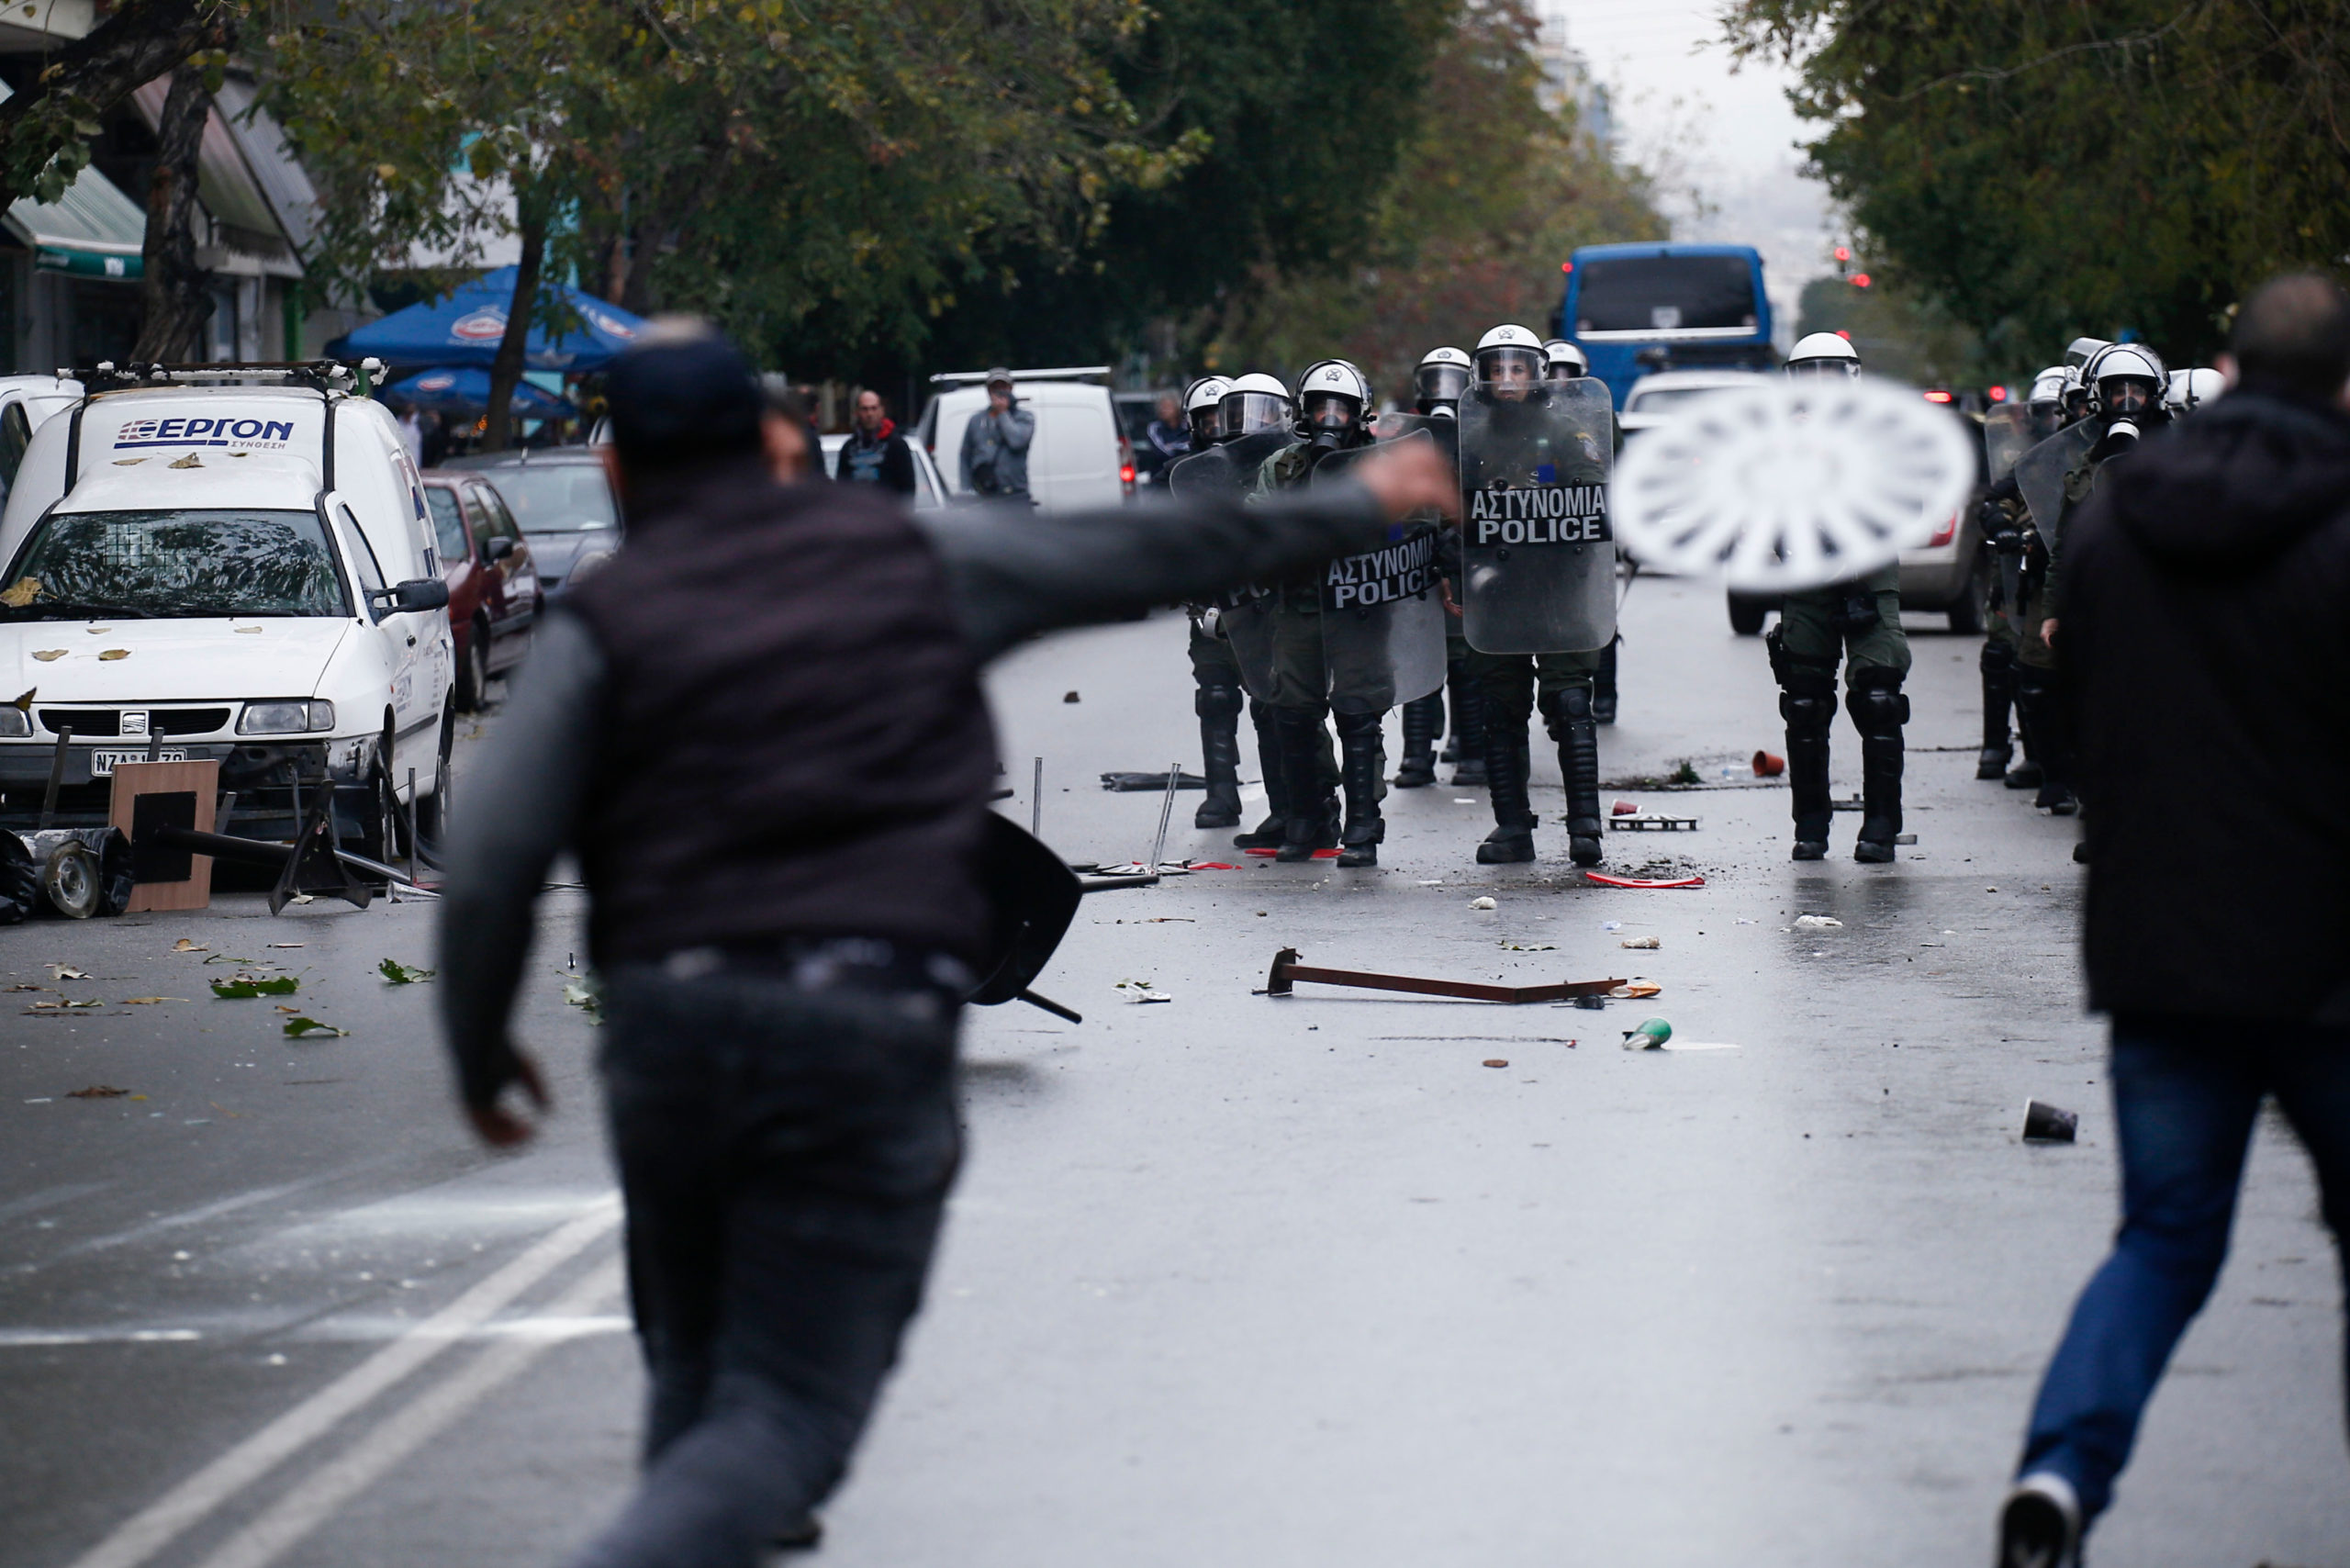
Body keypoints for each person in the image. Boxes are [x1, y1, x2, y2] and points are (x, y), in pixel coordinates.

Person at [435, 319, 1455, 1568]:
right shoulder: (913, 554)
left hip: (672, 1031)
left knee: (696, 1376)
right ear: (777, 446)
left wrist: (481, 1055)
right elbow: (1145, 546)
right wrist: (1357, 500)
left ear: (615, 474)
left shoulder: (606, 622)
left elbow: (487, 867)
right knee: (782, 1419)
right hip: (865, 1026)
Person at [1995, 272, 2350, 1568]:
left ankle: (2059, 1476)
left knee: (2161, 1241)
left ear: (2232, 374)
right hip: (2327, 956)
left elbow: (2070, 710)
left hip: (2163, 948)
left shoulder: (2121, 509)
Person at [1457, 322, 1612, 867]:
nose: (1506, 378)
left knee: (1570, 701)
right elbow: (1451, 516)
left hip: (1557, 590)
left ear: (1537, 375)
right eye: (1496, 368)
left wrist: (1550, 505)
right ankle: (1511, 826)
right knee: (1500, 706)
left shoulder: (1567, 432)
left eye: (1517, 367)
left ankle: (1585, 826)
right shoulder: (1469, 441)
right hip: (1497, 593)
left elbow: (1596, 501)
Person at [1248, 358, 1404, 867]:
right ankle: (1307, 817)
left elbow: (1417, 526)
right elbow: (1256, 519)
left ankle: (1363, 824)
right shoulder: (1283, 466)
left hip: (1360, 609)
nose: (1330, 418)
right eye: (1320, 407)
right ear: (1303, 413)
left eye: (1341, 408)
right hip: (1298, 606)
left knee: (1359, 716)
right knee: (1292, 713)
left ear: (1360, 414)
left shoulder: (1384, 464)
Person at [1762, 330, 1910, 863]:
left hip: (1868, 574)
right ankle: (1812, 826)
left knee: (1879, 698)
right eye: (1811, 374)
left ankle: (1881, 825)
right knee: (1804, 702)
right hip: (1806, 577)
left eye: (1832, 373)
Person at [2017, 342, 2173, 818]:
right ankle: (2100, 805)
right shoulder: (2085, 459)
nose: (2127, 401)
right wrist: (2055, 610)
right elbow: (2065, 543)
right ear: (2098, 397)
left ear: (2155, 395)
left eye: (2137, 391)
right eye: (2117, 391)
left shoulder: (2179, 450)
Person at [958, 367, 1034, 500]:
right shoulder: (976, 420)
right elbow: (965, 455)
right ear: (988, 391)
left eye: (1003, 388)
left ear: (1011, 388)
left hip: (1015, 494)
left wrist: (1002, 413)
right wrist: (967, 489)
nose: (999, 392)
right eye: (995, 388)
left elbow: (1016, 442)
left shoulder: (1025, 418)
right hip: (985, 495)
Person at [834, 388, 916, 495]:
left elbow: (907, 489)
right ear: (857, 412)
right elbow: (841, 488)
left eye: (874, 408)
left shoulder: (897, 446)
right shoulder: (848, 448)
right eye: (865, 409)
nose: (870, 414)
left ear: (882, 411)